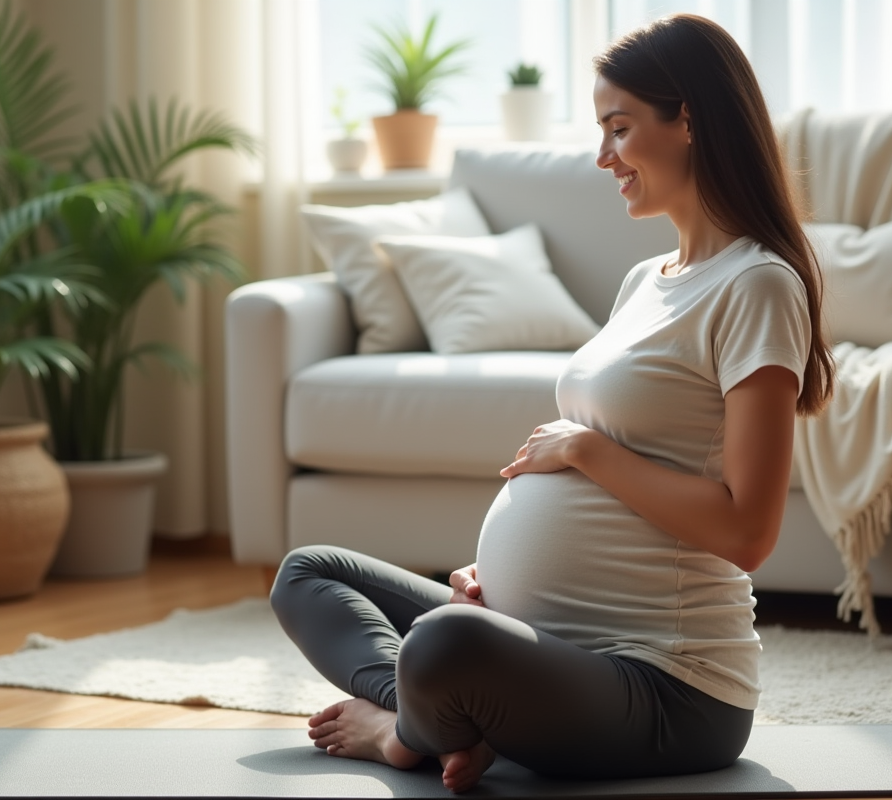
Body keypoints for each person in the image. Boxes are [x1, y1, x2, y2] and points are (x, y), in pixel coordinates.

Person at [271, 13, 834, 794]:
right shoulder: (647, 281)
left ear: (689, 120)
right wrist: (502, 582)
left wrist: (583, 450)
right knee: (309, 573)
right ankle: (443, 718)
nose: (604, 157)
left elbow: (748, 530)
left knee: (444, 644)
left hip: (667, 689)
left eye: (620, 128)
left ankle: (408, 734)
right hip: (550, 649)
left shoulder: (758, 285)